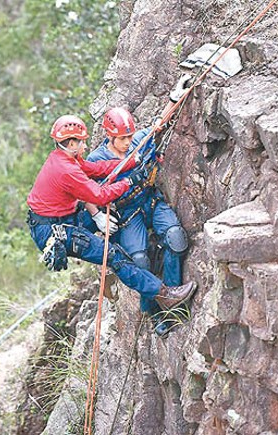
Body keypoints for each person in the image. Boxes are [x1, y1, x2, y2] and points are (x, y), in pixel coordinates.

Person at [26, 114, 197, 317]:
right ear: (72, 143)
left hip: (61, 218)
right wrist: (129, 182)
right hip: (53, 230)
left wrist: (131, 162)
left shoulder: (65, 158)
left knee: (115, 239)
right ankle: (164, 295)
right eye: (82, 142)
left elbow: (97, 169)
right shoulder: (66, 169)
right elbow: (100, 195)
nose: (86, 145)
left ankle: (128, 252)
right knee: (112, 255)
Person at [84, 76, 194, 336]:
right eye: (122, 138)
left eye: (129, 136)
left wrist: (174, 98)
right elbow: (84, 190)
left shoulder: (138, 142)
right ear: (110, 137)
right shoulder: (96, 160)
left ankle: (174, 306)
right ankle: (155, 312)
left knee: (175, 238)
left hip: (149, 200)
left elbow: (159, 124)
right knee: (140, 262)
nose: (127, 142)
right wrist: (98, 215)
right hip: (126, 212)